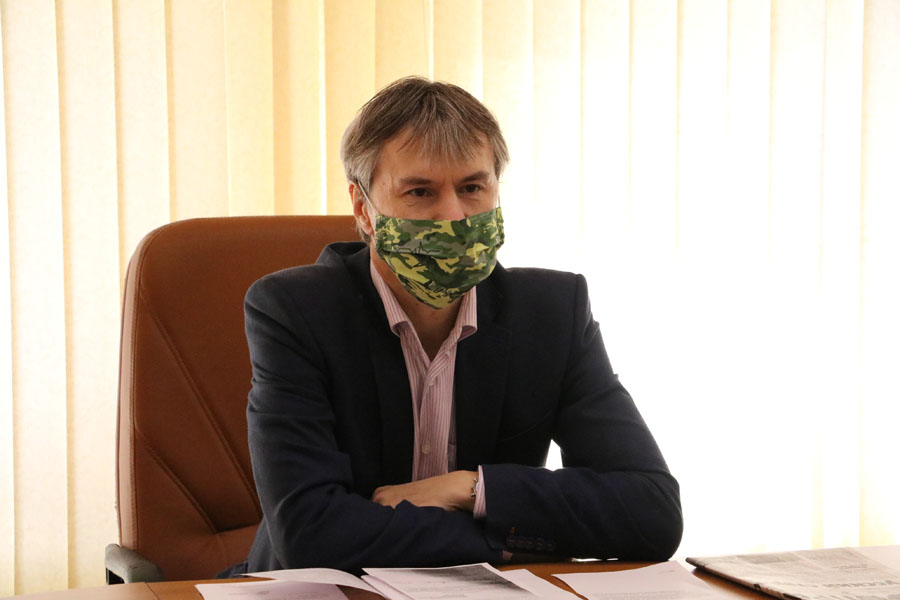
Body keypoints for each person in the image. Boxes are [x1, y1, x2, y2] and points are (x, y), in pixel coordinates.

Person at [240, 77, 682, 573]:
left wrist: (471, 489)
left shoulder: (552, 313)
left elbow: (652, 513)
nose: (453, 215)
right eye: (420, 191)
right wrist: (522, 540)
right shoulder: (295, 311)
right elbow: (310, 536)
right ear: (363, 208)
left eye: (472, 188)